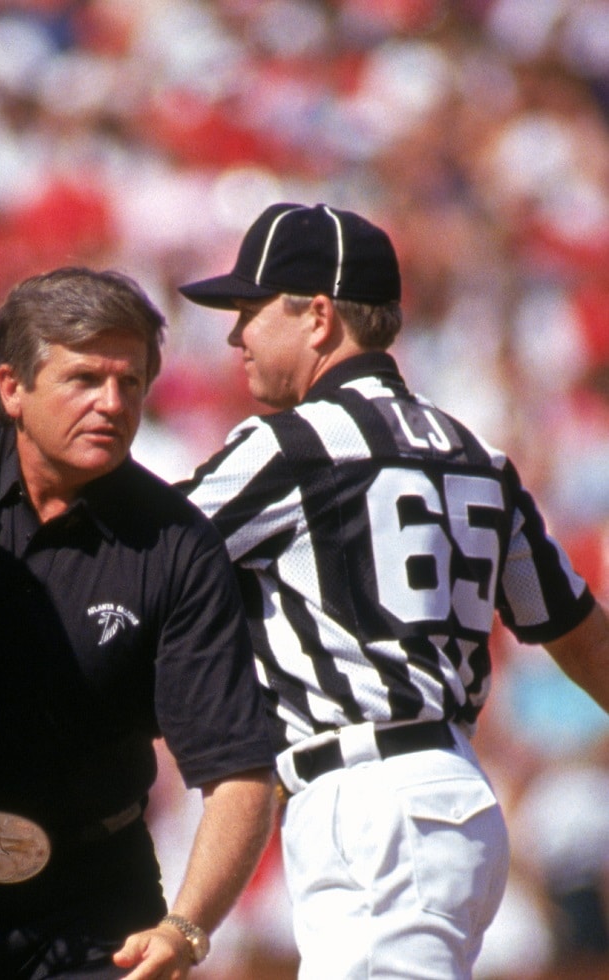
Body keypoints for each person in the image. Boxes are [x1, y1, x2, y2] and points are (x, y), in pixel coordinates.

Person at [177, 202, 609, 978]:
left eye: (249, 309)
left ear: (316, 315)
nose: (235, 335)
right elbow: (583, 636)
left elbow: (152, 556)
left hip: (373, 805)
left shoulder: (293, 446)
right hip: (447, 796)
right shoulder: (475, 452)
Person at [0, 267, 276, 979]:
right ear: (11, 386)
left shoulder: (177, 545)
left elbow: (240, 775)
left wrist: (186, 929)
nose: (112, 403)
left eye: (131, 382)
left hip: (93, 900)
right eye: (84, 379)